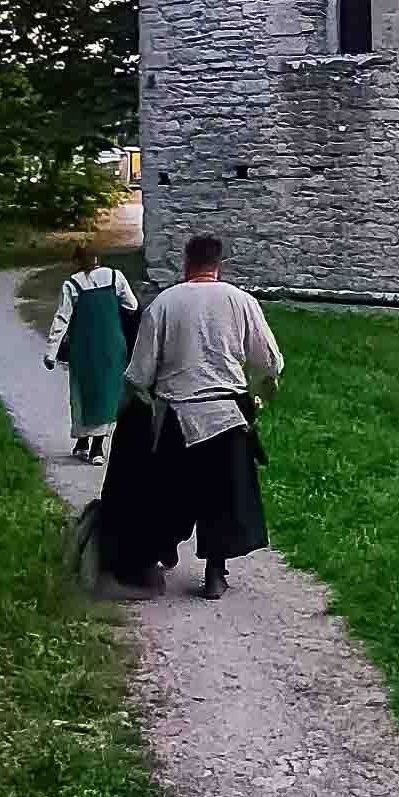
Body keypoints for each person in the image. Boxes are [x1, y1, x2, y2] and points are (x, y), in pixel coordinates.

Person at [109, 231, 282, 599]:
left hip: (178, 416)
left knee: (169, 491)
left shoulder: (164, 304)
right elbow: (270, 362)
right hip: (228, 415)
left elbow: (139, 374)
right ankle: (215, 573)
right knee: (224, 496)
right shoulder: (241, 301)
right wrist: (260, 394)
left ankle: (164, 548)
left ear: (186, 263)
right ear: (219, 266)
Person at [44, 246, 138, 463]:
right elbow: (131, 305)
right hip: (111, 345)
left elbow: (62, 319)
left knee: (83, 393)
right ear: (98, 258)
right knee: (107, 394)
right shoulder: (115, 277)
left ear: (77, 261)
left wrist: (52, 351)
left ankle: (86, 442)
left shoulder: (73, 284)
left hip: (84, 347)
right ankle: (96, 446)